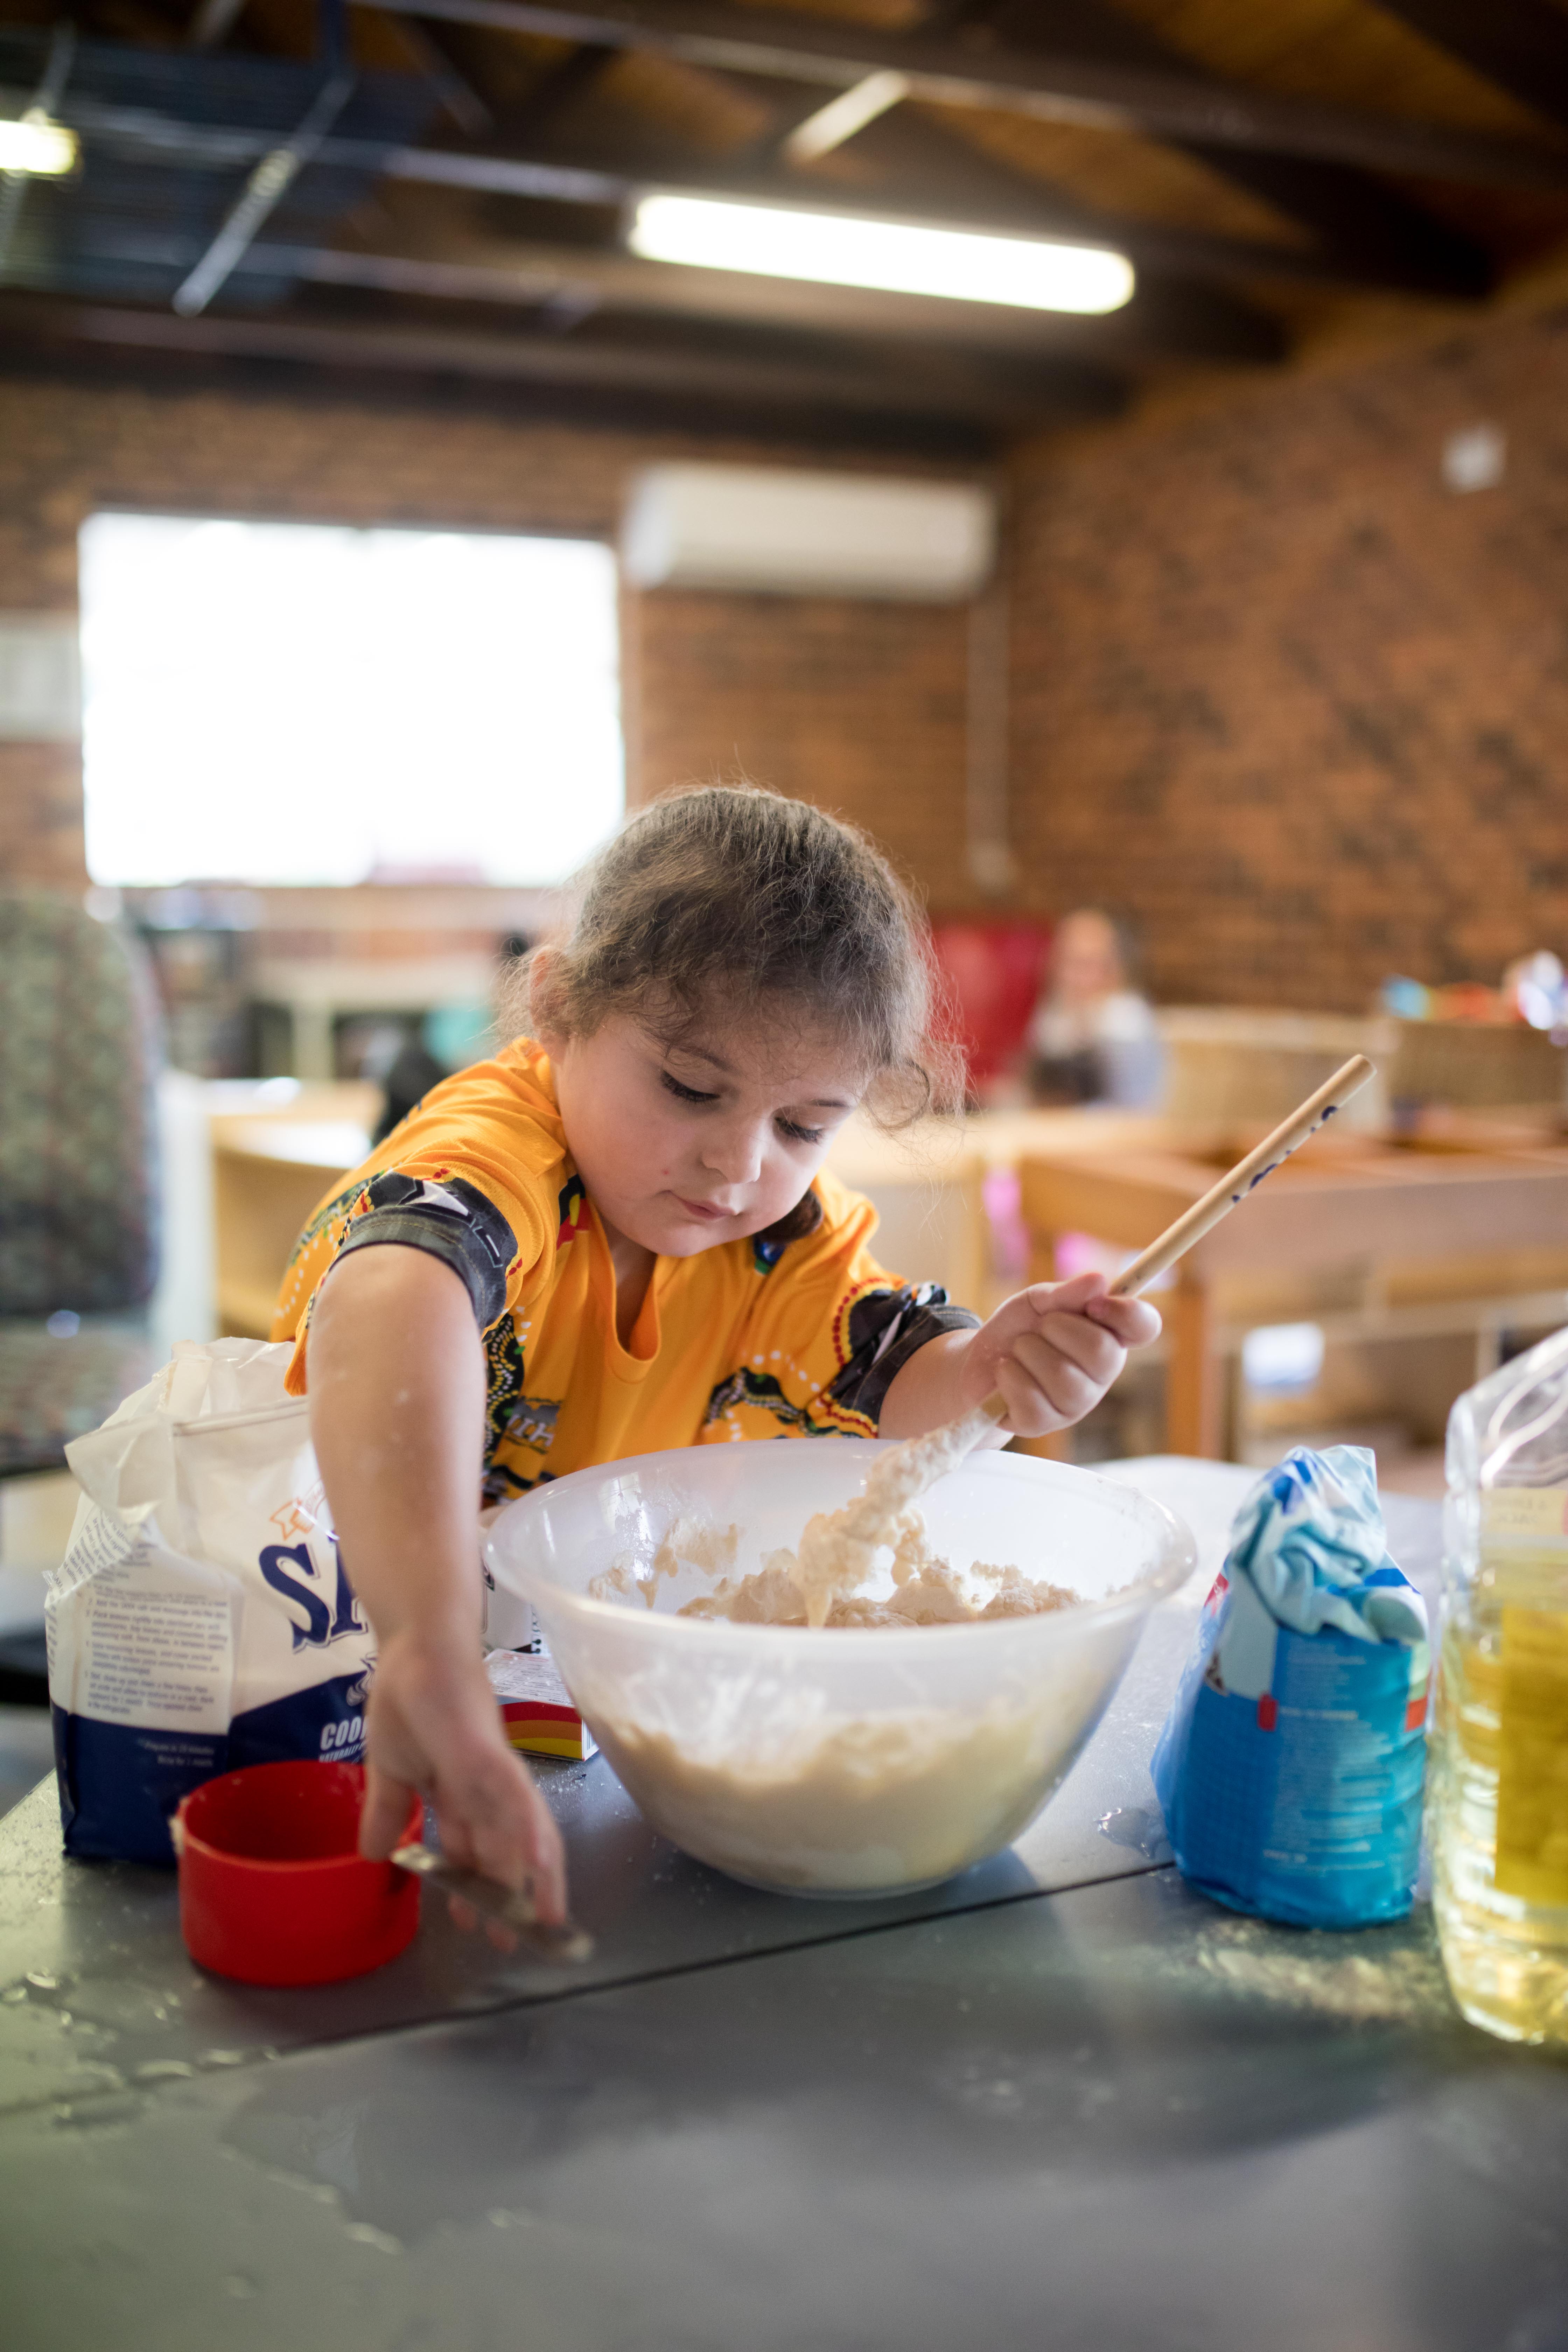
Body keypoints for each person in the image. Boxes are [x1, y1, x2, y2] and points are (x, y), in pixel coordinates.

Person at [274, 789, 1161, 1922]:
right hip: (338, 1663)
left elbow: (902, 1382)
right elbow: (396, 1294)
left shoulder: (778, 1240)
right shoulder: (501, 1148)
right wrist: (426, 1646)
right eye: (692, 1088)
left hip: (543, 1700)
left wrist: (1004, 1370)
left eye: (803, 1126)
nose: (738, 1164)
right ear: (556, 1010)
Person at [1025, 908, 1164, 1108]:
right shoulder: (1055, 1016)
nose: (1069, 977)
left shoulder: (1126, 1021)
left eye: (1084, 965)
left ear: (1115, 970)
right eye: (1064, 963)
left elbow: (1133, 1109)